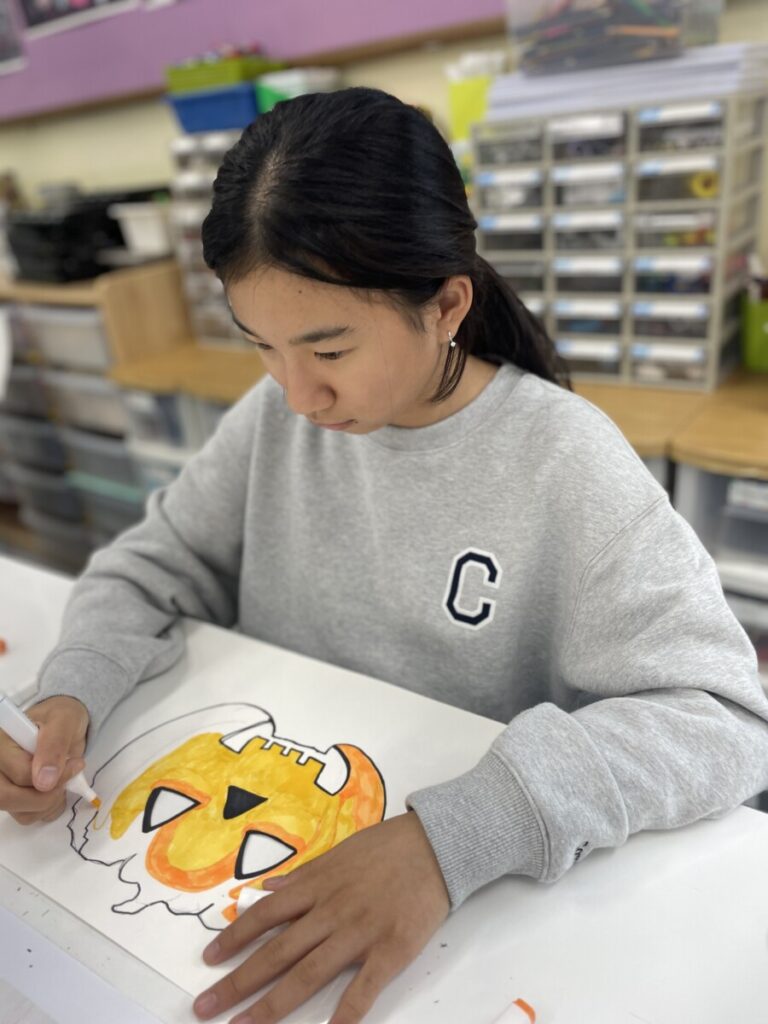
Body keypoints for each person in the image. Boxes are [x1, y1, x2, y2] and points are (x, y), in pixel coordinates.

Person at [2, 87, 768, 1024]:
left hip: (475, 918)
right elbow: (150, 565)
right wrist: (72, 689)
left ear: (446, 305)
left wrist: (454, 838)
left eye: (329, 350)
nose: (298, 396)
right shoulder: (277, 420)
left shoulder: (566, 464)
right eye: (263, 348)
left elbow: (724, 718)